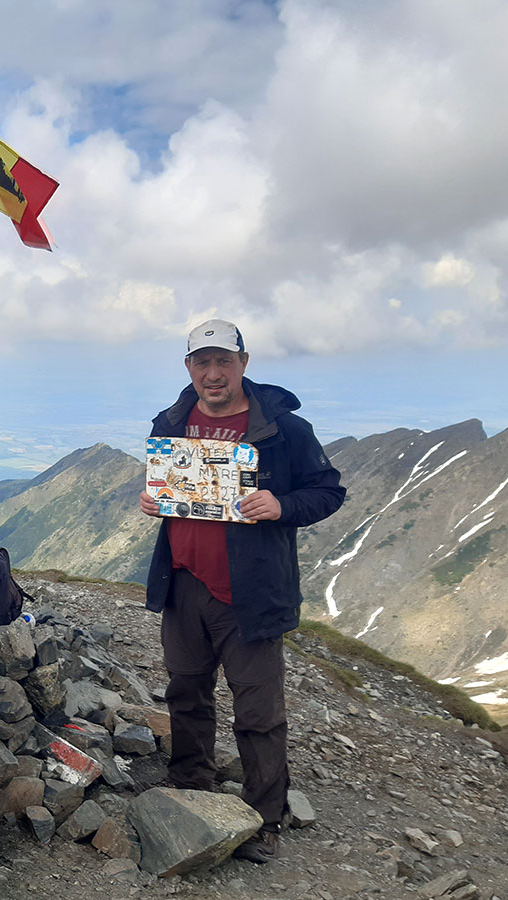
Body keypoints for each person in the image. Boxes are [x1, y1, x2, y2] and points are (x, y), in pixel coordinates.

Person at [138, 318, 345, 863]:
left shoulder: (282, 431)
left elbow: (327, 491)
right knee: (186, 693)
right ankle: (190, 791)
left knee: (258, 711)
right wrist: (154, 499)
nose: (213, 374)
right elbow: (171, 486)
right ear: (189, 368)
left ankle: (263, 818)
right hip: (184, 583)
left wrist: (282, 506)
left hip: (251, 594)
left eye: (223, 362)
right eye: (202, 363)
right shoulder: (171, 421)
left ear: (244, 365)